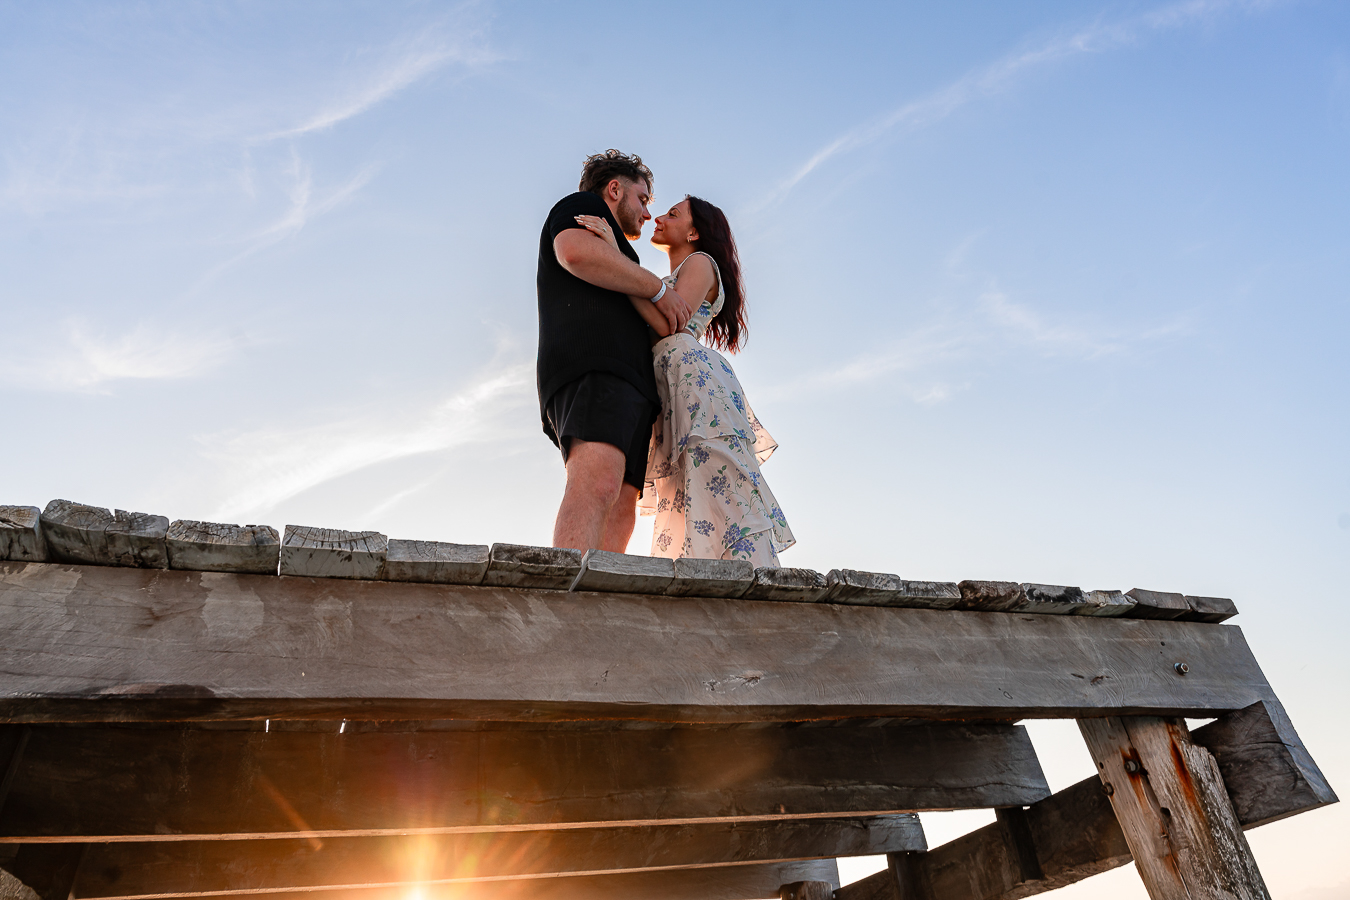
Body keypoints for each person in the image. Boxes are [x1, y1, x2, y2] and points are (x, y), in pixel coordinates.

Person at [575, 196, 794, 565]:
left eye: (672, 214)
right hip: (669, 382)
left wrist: (619, 260)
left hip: (690, 377)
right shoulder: (659, 282)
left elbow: (669, 324)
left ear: (694, 232)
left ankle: (747, 569)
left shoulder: (701, 262)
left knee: (712, 475)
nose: (658, 217)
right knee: (684, 488)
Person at [537, 150, 693, 553]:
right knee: (598, 485)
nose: (646, 214)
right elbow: (574, 252)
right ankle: (567, 606)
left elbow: (662, 323)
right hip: (595, 366)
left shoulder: (624, 254)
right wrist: (659, 288)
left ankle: (599, 609)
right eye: (643, 200)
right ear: (614, 189)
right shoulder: (583, 206)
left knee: (623, 508)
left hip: (633, 386)